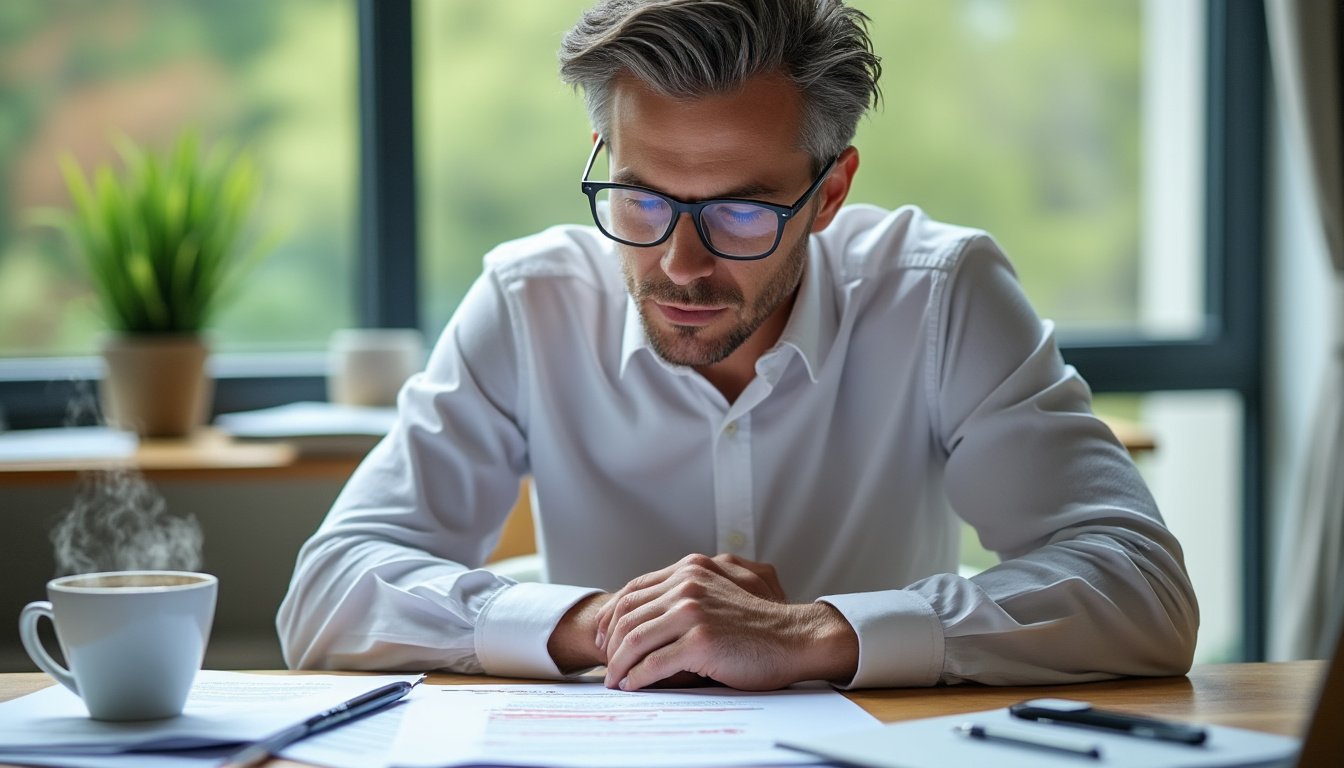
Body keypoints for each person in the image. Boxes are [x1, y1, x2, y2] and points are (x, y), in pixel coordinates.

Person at [277, 0, 1198, 692]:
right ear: (603, 151)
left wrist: (814, 632)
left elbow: (1142, 591)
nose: (679, 264)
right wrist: (604, 626)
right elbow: (326, 594)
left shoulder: (939, 292)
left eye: (742, 211)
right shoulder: (529, 302)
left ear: (829, 195)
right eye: (639, 199)